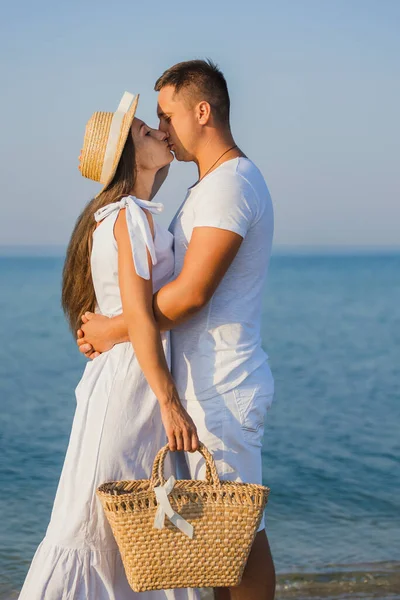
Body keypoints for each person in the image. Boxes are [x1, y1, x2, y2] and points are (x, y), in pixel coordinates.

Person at [77, 60, 276, 600]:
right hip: (202, 388)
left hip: (223, 387)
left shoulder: (231, 186)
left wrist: (115, 329)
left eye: (166, 115)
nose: (162, 128)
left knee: (240, 538)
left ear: (202, 111)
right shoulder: (209, 187)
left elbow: (191, 294)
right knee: (215, 540)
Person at [18, 91, 200, 600]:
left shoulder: (130, 214)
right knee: (93, 527)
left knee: (133, 532)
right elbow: (141, 313)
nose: (160, 132)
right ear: (127, 157)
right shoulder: (127, 217)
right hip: (130, 388)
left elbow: (132, 313)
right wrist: (170, 402)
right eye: (146, 132)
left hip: (132, 382)